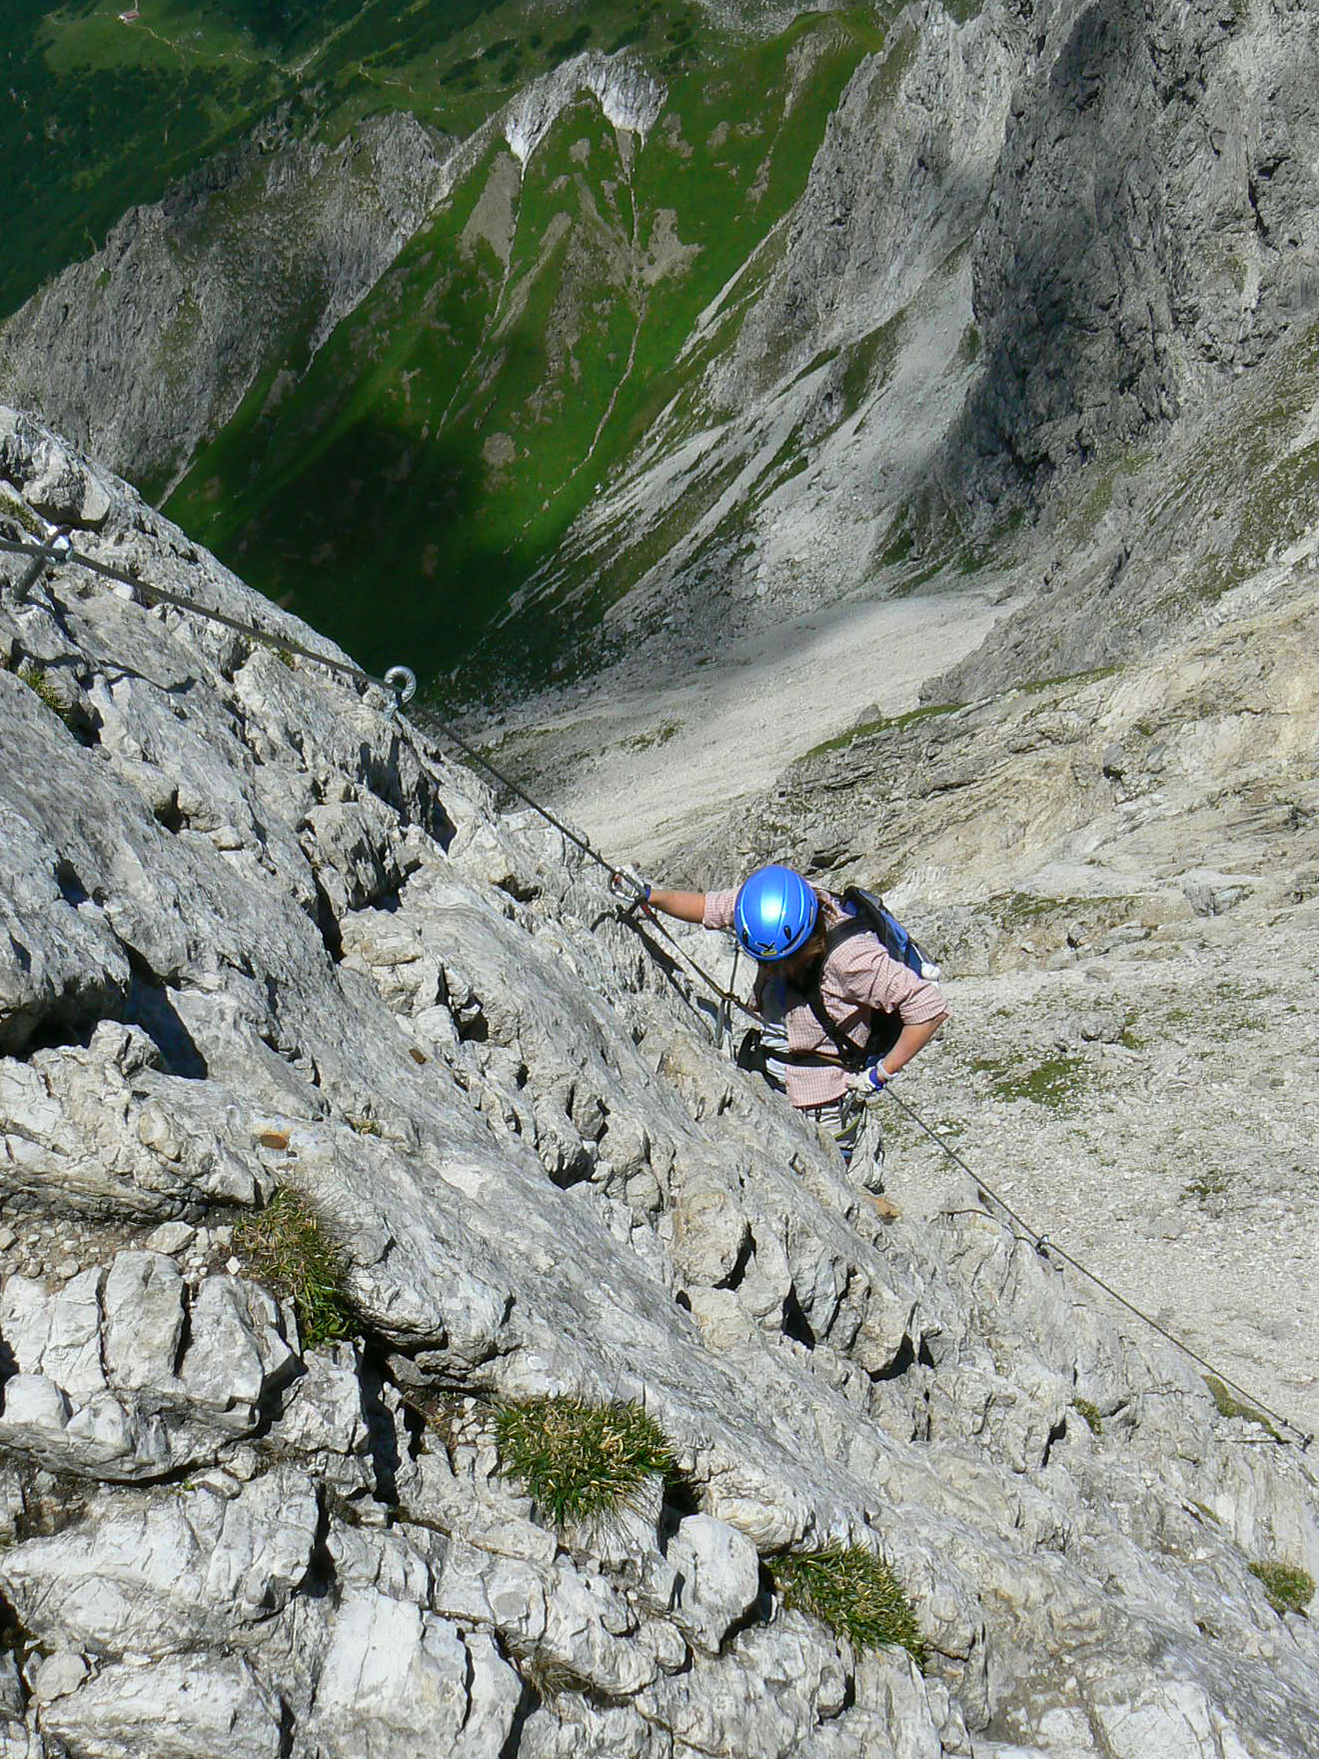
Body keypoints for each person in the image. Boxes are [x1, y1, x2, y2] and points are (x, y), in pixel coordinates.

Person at [633, 864, 948, 1178]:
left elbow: (928, 1008)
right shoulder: (763, 908)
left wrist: (881, 1073)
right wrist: (648, 894)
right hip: (770, 1075)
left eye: (783, 960)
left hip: (822, 1101)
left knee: (825, 1181)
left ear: (807, 940)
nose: (771, 969)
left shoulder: (851, 958)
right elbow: (707, 907)